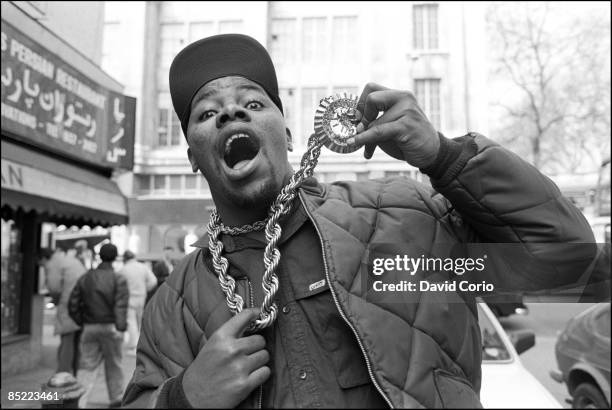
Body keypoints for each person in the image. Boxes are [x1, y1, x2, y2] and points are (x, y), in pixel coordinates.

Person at [122, 34, 596, 408]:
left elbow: (564, 259)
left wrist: (446, 157)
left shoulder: (406, 221)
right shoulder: (173, 303)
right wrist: (182, 399)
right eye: (207, 112)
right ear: (192, 157)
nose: (230, 111)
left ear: (287, 134)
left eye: (254, 102)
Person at [68, 243, 129, 408]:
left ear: (99, 256)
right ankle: (116, 399)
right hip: (111, 327)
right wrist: (121, 327)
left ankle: (79, 402)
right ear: (115, 257)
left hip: (90, 326)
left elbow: (73, 304)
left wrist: (82, 321)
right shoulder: (119, 279)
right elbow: (120, 306)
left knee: (87, 366)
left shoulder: (86, 277)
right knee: (114, 364)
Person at [40, 246, 87, 376]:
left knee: (67, 339)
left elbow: (54, 288)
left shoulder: (54, 263)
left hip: (68, 304)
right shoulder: (68, 259)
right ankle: (74, 371)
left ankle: (63, 373)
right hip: (81, 303)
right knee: (76, 339)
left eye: (40, 263)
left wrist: (55, 300)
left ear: (43, 258)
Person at [119, 250, 157, 353]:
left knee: (131, 321)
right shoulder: (143, 267)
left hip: (129, 298)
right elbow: (153, 280)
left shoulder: (123, 269)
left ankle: (134, 344)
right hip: (141, 297)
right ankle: (141, 343)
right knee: (140, 320)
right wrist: (146, 288)